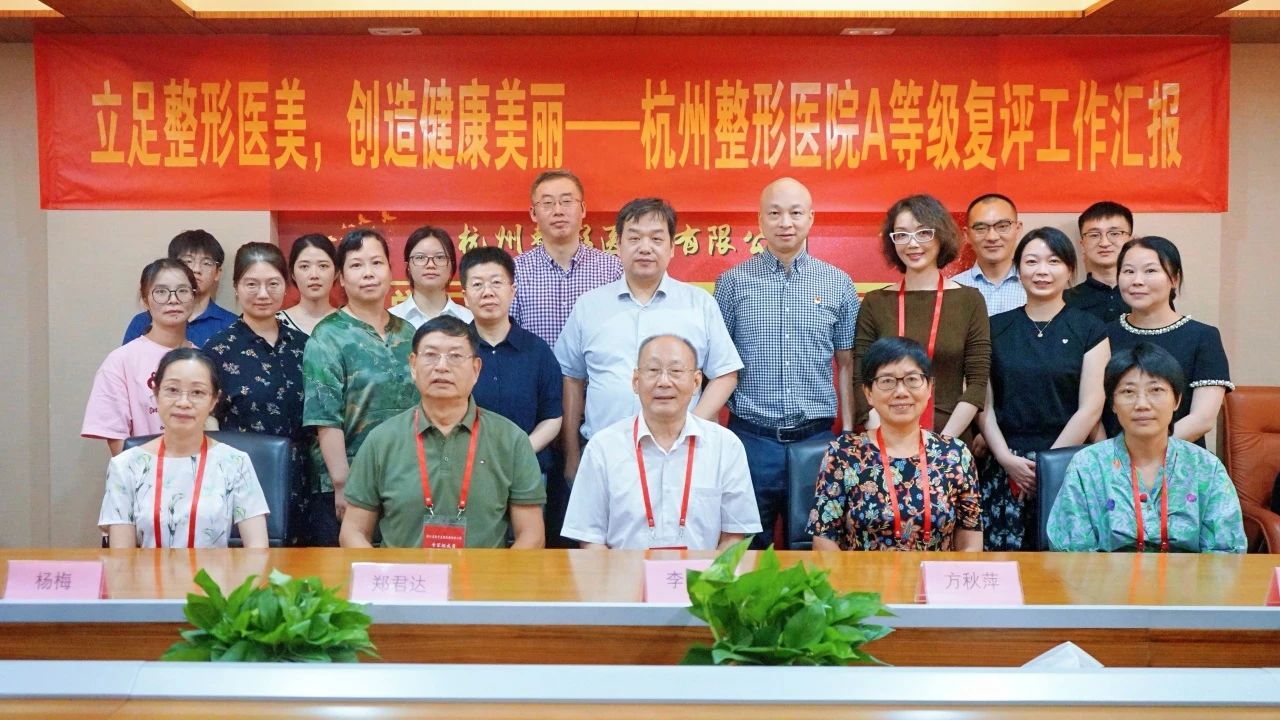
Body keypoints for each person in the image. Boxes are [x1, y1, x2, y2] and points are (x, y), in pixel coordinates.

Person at [555, 197, 743, 485]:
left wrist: (692, 425)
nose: (645, 247)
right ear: (618, 245)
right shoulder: (589, 306)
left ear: (671, 248)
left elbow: (725, 374)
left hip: (682, 456)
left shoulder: (699, 304)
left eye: (656, 238)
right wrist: (571, 456)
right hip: (605, 456)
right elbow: (571, 378)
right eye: (634, 238)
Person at [714, 177, 859, 549]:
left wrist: (847, 433)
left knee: (818, 551)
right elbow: (717, 366)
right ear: (760, 220)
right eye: (775, 213)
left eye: (795, 213)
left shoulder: (838, 283)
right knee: (745, 548)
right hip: (751, 441)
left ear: (811, 218)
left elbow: (847, 363)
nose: (785, 223)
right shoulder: (732, 283)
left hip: (817, 442)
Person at [340, 316, 546, 548]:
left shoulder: (511, 439)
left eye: (455, 356)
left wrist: (499, 574)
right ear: (413, 365)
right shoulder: (381, 440)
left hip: (482, 573)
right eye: (431, 355)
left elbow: (532, 534)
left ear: (476, 369)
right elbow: (353, 531)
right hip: (404, 572)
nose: (442, 366)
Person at [562, 334, 761, 550]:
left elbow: (733, 537)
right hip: (623, 572)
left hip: (703, 573)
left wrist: (710, 574)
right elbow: (590, 539)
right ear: (636, 381)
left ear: (696, 382)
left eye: (676, 371)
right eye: (653, 370)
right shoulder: (603, 447)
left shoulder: (725, 446)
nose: (664, 382)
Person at [978, 228, 1109, 550]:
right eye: (1031, 261)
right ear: (1018, 269)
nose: (1042, 271)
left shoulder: (1090, 329)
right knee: (1003, 564)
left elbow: (1091, 407)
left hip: (1068, 461)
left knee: (1062, 563)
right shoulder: (994, 327)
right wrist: (1005, 458)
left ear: (1070, 270)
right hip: (1005, 463)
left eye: (1053, 261)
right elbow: (983, 404)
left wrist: (1049, 466)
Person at [1046, 343, 1245, 553]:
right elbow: (1071, 553)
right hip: (1105, 574)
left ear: (1177, 400)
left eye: (1156, 390)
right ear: (1112, 404)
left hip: (1190, 575)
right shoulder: (1087, 465)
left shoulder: (1206, 467)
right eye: (1128, 392)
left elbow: (1226, 552)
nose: (1142, 404)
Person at [809, 337, 982, 551]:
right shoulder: (843, 453)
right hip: (863, 573)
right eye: (887, 381)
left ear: (929, 387)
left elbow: (971, 537)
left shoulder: (955, 454)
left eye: (912, 379)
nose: (901, 391)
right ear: (868, 393)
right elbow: (825, 539)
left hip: (934, 573)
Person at [302, 229, 418, 546]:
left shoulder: (408, 333)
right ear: (341, 278)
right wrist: (343, 483)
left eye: (377, 263)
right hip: (346, 484)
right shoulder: (327, 336)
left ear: (391, 271)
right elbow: (324, 418)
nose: (368, 273)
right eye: (356, 265)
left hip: (403, 480)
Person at [98, 348, 269, 549]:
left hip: (215, 571)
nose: (183, 402)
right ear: (156, 393)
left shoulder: (235, 463)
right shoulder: (125, 466)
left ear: (214, 400)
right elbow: (122, 559)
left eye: (197, 392)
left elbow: (258, 552)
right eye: (172, 390)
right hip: (147, 571)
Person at [852, 194, 990, 439]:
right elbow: (862, 380)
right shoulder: (875, 302)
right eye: (902, 235)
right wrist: (888, 440)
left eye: (923, 233)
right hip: (886, 439)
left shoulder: (970, 300)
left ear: (941, 236)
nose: (912, 243)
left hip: (950, 437)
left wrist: (942, 444)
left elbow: (977, 385)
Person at [204, 243, 309, 545]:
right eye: (252, 284)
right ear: (236, 287)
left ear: (286, 287)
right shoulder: (218, 349)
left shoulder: (305, 345)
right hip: (243, 479)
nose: (263, 293)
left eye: (273, 284)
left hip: (303, 479)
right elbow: (208, 420)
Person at [1103, 236, 1232, 446]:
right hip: (1112, 459)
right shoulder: (1102, 334)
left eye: (1150, 271)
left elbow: (1202, 419)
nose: (1137, 280)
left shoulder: (1203, 336)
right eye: (1128, 271)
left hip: (1179, 456)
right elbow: (1093, 408)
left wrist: (1142, 450)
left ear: (1174, 279)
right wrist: (1109, 455)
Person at [460, 246, 563, 478]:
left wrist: (520, 452)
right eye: (477, 284)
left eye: (496, 283)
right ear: (465, 296)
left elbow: (552, 417)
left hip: (527, 470)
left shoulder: (537, 351)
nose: (488, 292)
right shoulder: (454, 350)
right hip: (467, 472)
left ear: (512, 290)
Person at [83, 259, 198, 457]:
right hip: (144, 473)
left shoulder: (204, 360)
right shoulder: (121, 361)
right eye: (161, 292)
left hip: (200, 473)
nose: (173, 299)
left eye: (183, 291)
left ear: (194, 297)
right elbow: (118, 442)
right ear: (145, 299)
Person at [512, 169, 622, 347]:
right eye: (548, 203)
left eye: (567, 201)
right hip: (535, 367)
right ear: (533, 213)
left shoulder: (613, 270)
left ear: (583, 209)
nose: (558, 211)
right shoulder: (515, 272)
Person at [122, 230, 237, 347]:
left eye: (206, 263)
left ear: (217, 273)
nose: (196, 269)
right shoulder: (142, 322)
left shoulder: (232, 325)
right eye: (188, 261)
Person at [953, 193, 1026, 316]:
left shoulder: (1037, 286)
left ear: (1018, 229)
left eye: (1002, 226)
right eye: (981, 228)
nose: (992, 237)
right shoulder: (952, 289)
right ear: (967, 235)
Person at [389, 225, 474, 328]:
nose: (430, 265)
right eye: (420, 257)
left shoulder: (470, 320)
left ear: (451, 266)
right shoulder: (390, 321)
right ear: (408, 267)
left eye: (440, 257)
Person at [1064, 201, 1133, 324]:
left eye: (1115, 233)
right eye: (1094, 235)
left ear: (1130, 241)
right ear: (1082, 245)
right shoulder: (1064, 301)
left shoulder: (1147, 295)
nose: (1104, 243)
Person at [279, 233, 338, 335]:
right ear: (293, 274)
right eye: (304, 266)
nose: (314, 275)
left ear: (336, 273)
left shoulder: (351, 324)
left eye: (323, 266)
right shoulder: (275, 323)